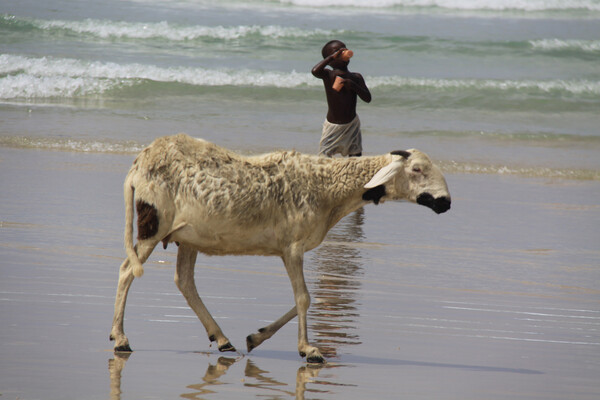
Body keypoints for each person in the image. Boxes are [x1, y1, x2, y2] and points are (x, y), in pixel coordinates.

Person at [311, 40, 371, 157]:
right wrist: (331, 58)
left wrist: (354, 86)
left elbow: (367, 98)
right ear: (330, 59)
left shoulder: (355, 77)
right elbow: (314, 71)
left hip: (351, 124)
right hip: (333, 126)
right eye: (337, 51)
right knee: (323, 159)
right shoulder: (328, 75)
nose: (342, 52)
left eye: (344, 49)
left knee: (355, 158)